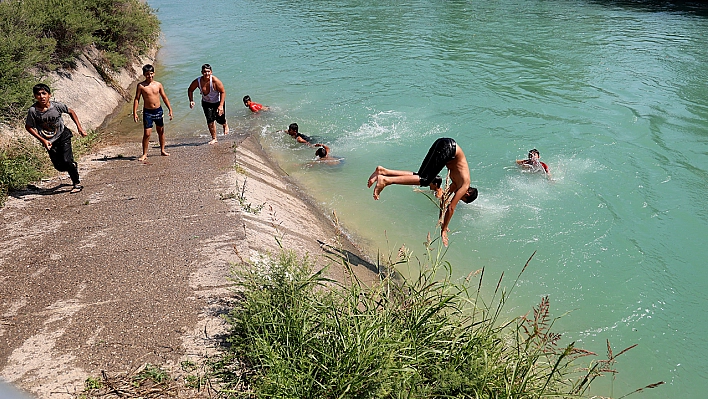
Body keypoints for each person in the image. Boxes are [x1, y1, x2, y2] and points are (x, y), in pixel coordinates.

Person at [367, 138, 478, 246]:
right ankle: (386, 180)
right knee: (425, 180)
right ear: (467, 193)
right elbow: (451, 207)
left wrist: (441, 219)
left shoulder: (456, 183)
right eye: (461, 198)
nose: (457, 197)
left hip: (443, 143)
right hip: (449, 149)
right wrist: (444, 230)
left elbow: (445, 200)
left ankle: (383, 172)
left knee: (421, 176)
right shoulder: (465, 184)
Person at [25, 84, 87, 193]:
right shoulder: (33, 111)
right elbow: (28, 127)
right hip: (49, 141)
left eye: (44, 93)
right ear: (35, 96)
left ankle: (76, 184)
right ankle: (72, 166)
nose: (42, 96)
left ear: (49, 95)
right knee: (59, 167)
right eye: (38, 94)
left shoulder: (57, 106)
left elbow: (71, 112)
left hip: (63, 135)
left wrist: (80, 128)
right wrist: (43, 140)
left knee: (67, 160)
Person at [133, 64, 173, 161]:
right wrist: (134, 112)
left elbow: (164, 97)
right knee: (147, 133)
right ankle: (144, 154)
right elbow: (137, 99)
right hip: (148, 112)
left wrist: (170, 109)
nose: (149, 76)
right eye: (147, 74)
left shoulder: (158, 84)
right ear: (144, 74)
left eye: (151, 74)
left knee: (161, 131)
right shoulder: (141, 86)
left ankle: (162, 150)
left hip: (158, 111)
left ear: (154, 73)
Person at [187, 64, 228, 144]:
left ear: (211, 72)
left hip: (218, 102)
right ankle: (214, 138)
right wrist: (191, 100)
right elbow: (190, 90)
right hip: (206, 103)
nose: (207, 74)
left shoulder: (215, 81)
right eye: (205, 72)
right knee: (210, 120)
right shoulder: (198, 81)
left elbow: (223, 91)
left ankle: (225, 124)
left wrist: (221, 106)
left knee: (220, 119)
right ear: (202, 72)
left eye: (208, 72)